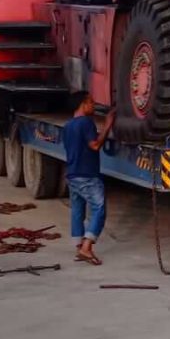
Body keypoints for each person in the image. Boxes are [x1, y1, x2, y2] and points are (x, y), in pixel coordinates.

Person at [62, 91, 116, 266]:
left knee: (77, 210)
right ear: (83, 104)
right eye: (91, 102)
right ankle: (86, 247)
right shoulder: (86, 123)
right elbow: (94, 145)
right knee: (99, 208)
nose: (94, 106)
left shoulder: (68, 126)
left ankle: (79, 246)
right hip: (87, 175)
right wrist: (107, 126)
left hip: (72, 174)